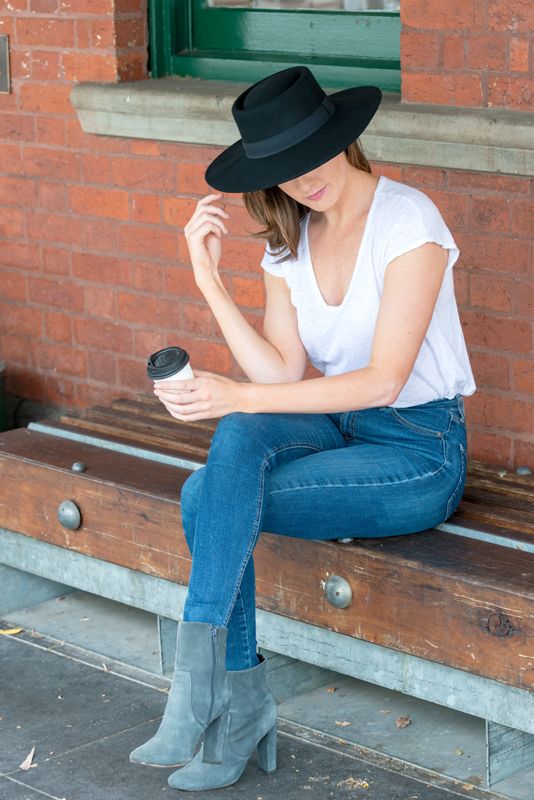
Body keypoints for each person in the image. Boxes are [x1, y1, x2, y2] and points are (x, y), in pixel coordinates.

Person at [129, 65, 476, 791]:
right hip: (333, 425)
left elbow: (385, 379)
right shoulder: (292, 239)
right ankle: (220, 701)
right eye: (282, 170)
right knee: (237, 445)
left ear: (343, 139)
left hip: (416, 449)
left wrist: (237, 398)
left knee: (210, 495)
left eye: (309, 158)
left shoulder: (408, 221)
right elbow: (282, 377)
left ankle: (219, 703)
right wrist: (211, 283)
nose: (302, 180)